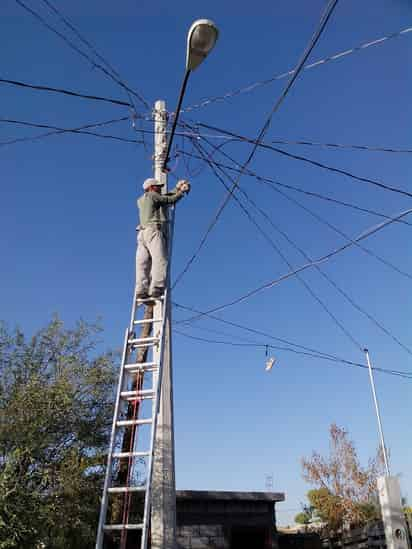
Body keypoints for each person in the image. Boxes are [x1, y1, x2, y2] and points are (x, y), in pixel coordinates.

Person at [135, 177, 191, 299]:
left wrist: (176, 188)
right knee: (159, 259)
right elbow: (168, 200)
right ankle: (157, 287)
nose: (159, 189)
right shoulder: (152, 195)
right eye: (157, 187)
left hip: (142, 234)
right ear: (150, 188)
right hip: (153, 232)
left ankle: (141, 289)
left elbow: (162, 198)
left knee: (143, 263)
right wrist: (181, 192)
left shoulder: (141, 200)